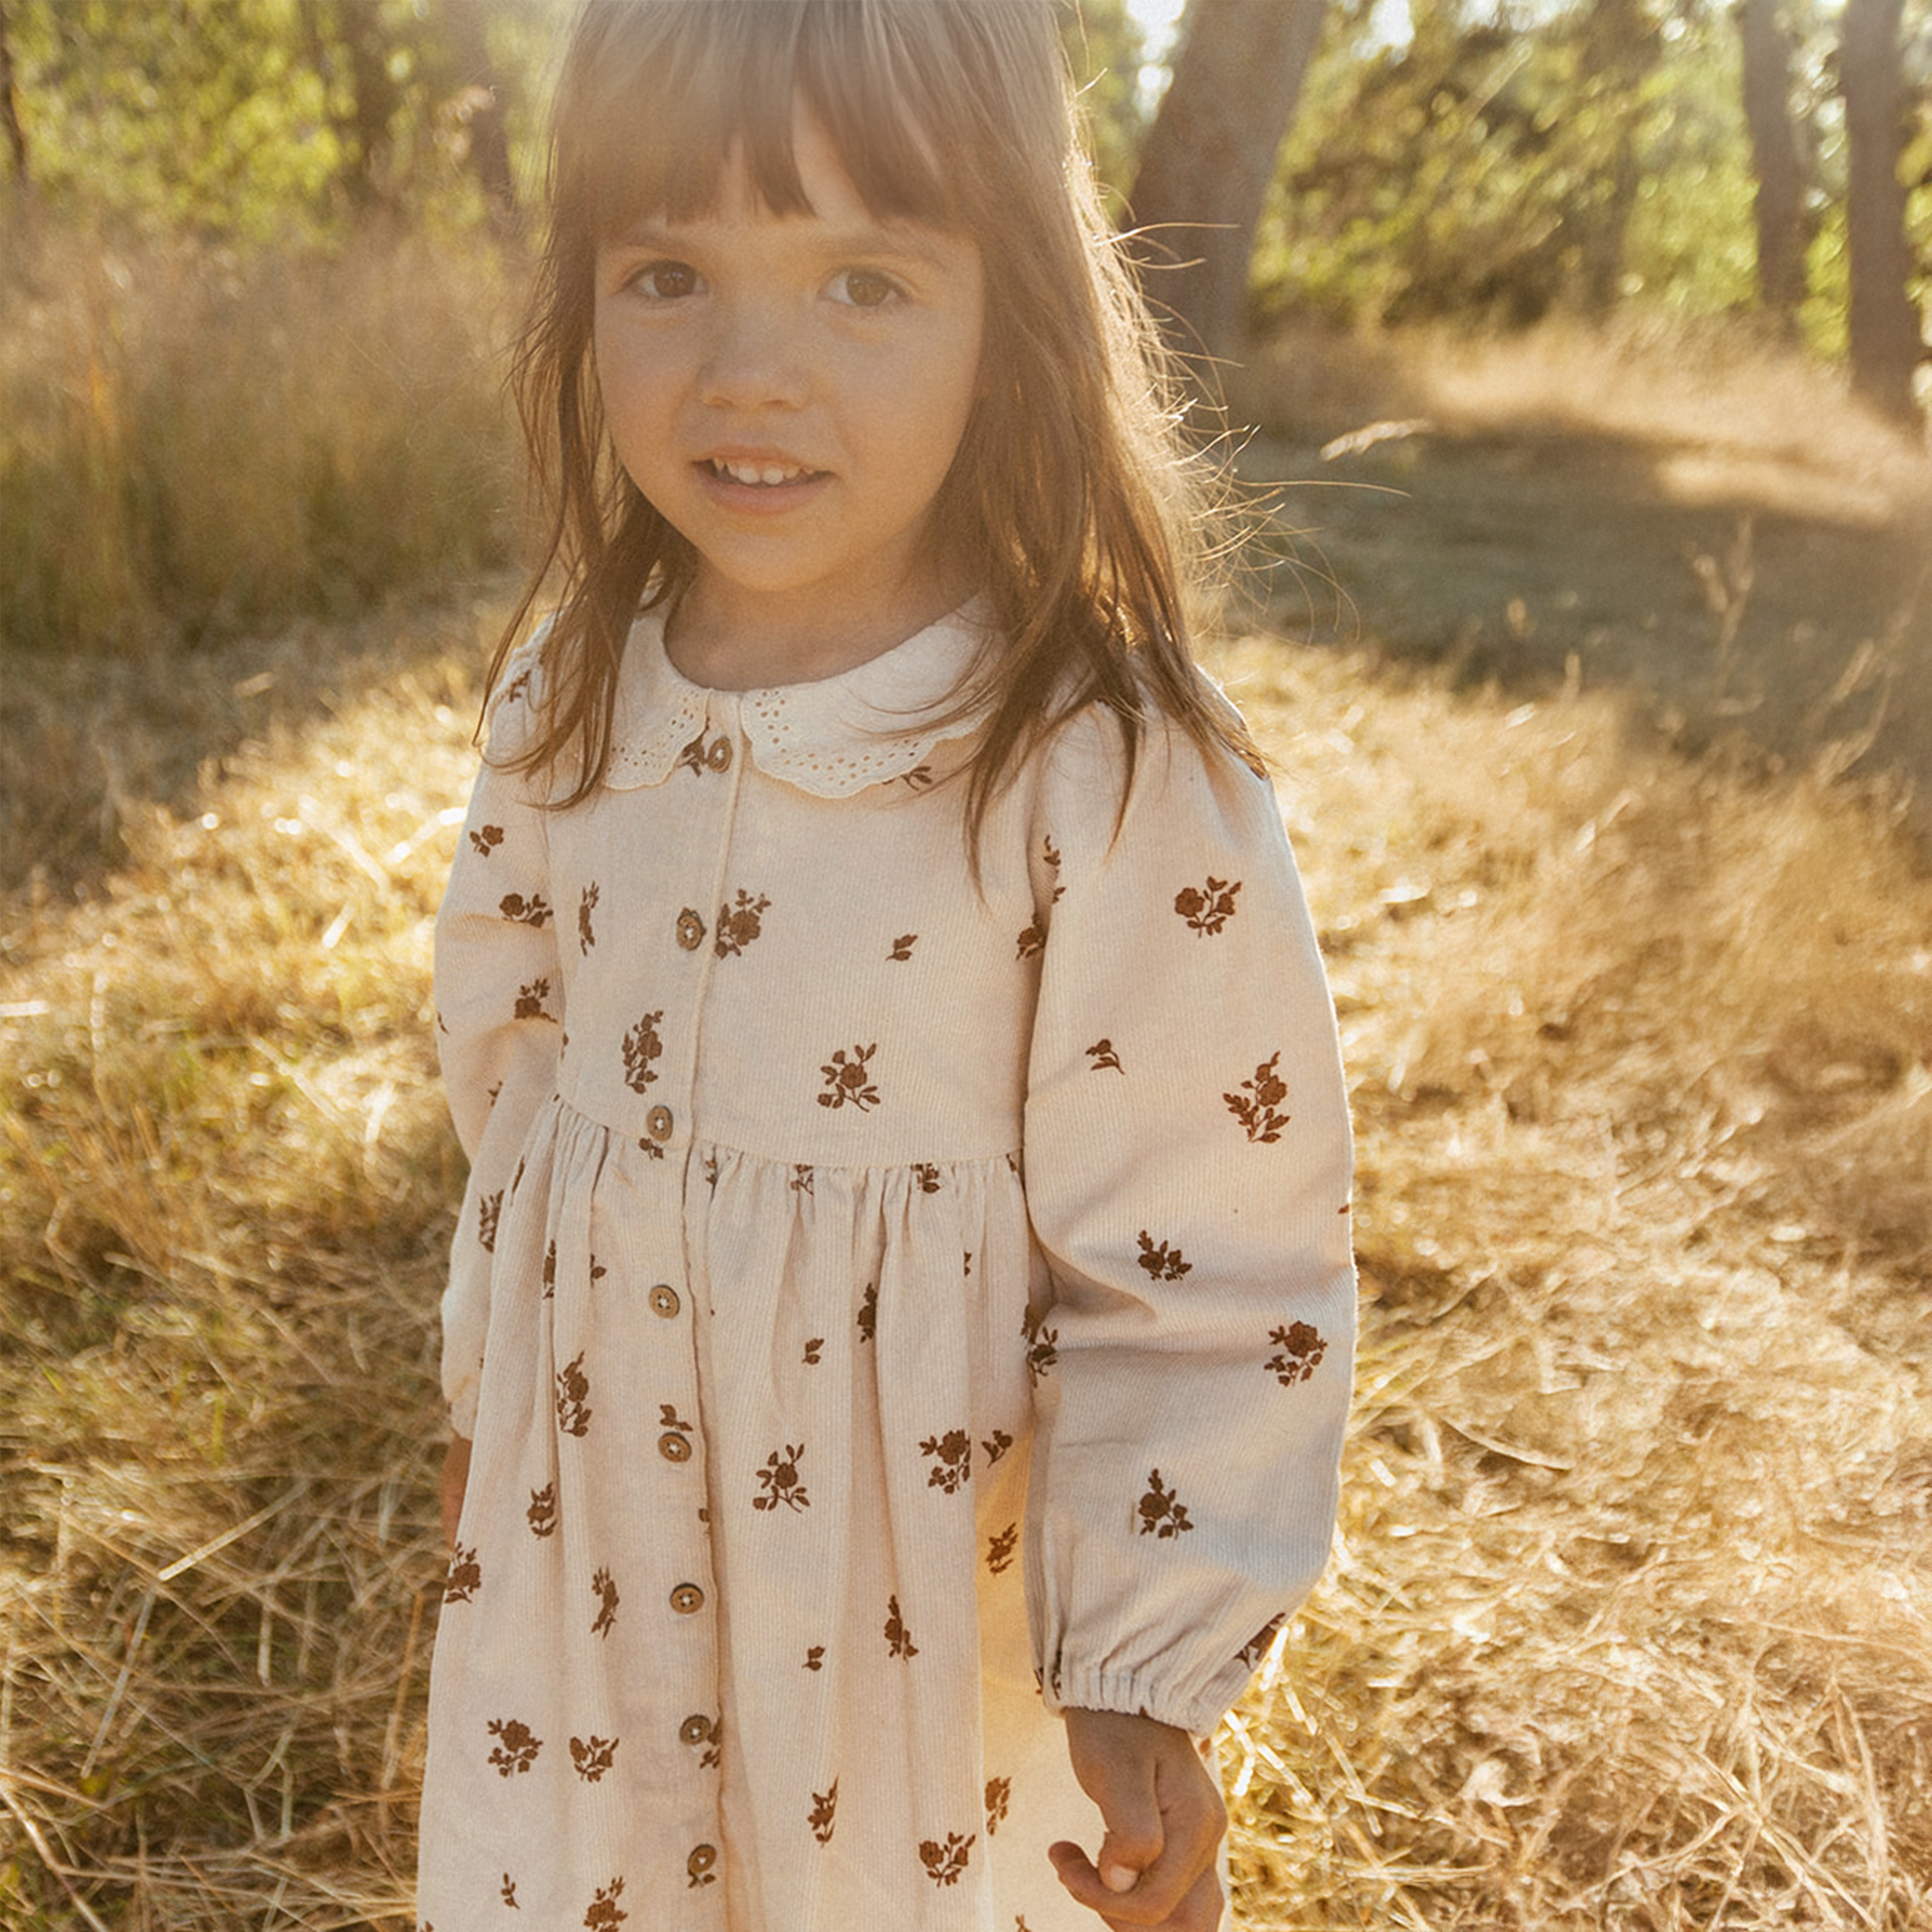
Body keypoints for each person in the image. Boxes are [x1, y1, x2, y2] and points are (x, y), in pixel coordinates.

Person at [419, 3, 1355, 1929]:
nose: (749, 373)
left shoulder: (1088, 760)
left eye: (862, 279)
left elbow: (1203, 1241)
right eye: (668, 273)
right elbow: (515, 1078)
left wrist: (1143, 1673)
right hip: (590, 1536)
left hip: (908, 1594)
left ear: (1009, 320)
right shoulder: (572, 688)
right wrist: (483, 1400)